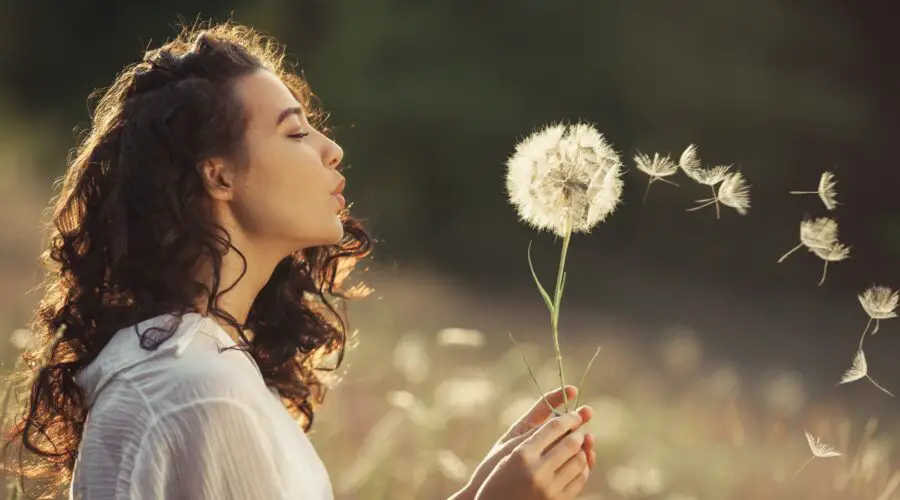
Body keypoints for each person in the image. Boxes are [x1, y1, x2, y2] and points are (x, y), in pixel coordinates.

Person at [3, 21, 596, 499]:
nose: (332, 150)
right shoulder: (201, 392)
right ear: (218, 174)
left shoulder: (187, 361)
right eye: (295, 134)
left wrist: (474, 493)